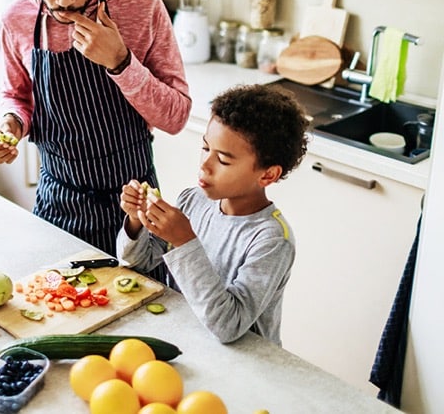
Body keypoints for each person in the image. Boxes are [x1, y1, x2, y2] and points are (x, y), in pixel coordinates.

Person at [0, 0, 191, 262]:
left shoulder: (142, 6)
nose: (64, 0)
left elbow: (176, 118)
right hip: (58, 202)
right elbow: (17, 96)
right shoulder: (16, 19)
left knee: (144, 312)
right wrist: (11, 125)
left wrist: (121, 62)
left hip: (134, 208)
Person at [116, 84, 309, 345]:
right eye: (206, 148)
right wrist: (136, 221)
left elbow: (228, 325)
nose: (205, 165)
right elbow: (138, 265)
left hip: (248, 365)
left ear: (267, 174)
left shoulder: (272, 240)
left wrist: (185, 241)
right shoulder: (193, 201)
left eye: (224, 160)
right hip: (189, 342)